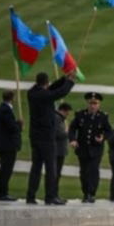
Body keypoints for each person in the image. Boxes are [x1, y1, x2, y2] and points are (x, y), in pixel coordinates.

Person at [27, 72, 75, 205]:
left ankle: (30, 196)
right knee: (51, 168)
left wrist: (63, 79)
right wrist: (70, 82)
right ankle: (50, 197)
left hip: (35, 136)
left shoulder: (31, 92)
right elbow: (60, 93)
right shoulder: (45, 95)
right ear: (46, 82)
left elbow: (52, 88)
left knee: (36, 167)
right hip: (46, 137)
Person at [69, 92, 112, 203]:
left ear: (99, 104)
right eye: (91, 103)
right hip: (82, 148)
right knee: (83, 172)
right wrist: (73, 139)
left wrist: (103, 137)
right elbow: (72, 128)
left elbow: (109, 131)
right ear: (87, 103)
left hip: (96, 149)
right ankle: (85, 193)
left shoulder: (103, 116)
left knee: (93, 170)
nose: (93, 106)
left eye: (95, 103)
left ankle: (92, 193)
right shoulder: (80, 115)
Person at [0, 90, 22, 201]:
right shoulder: (6, 110)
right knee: (6, 170)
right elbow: (11, 127)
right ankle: (3, 194)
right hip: (7, 145)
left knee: (5, 169)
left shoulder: (4, 108)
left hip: (5, 144)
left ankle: (3, 193)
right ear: (12, 98)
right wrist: (19, 124)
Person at [53, 102, 72, 194]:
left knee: (58, 173)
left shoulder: (60, 119)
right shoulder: (57, 119)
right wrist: (68, 131)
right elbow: (58, 134)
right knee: (55, 174)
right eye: (67, 112)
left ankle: (55, 193)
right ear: (64, 111)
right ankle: (53, 194)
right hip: (57, 151)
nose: (68, 114)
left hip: (60, 150)